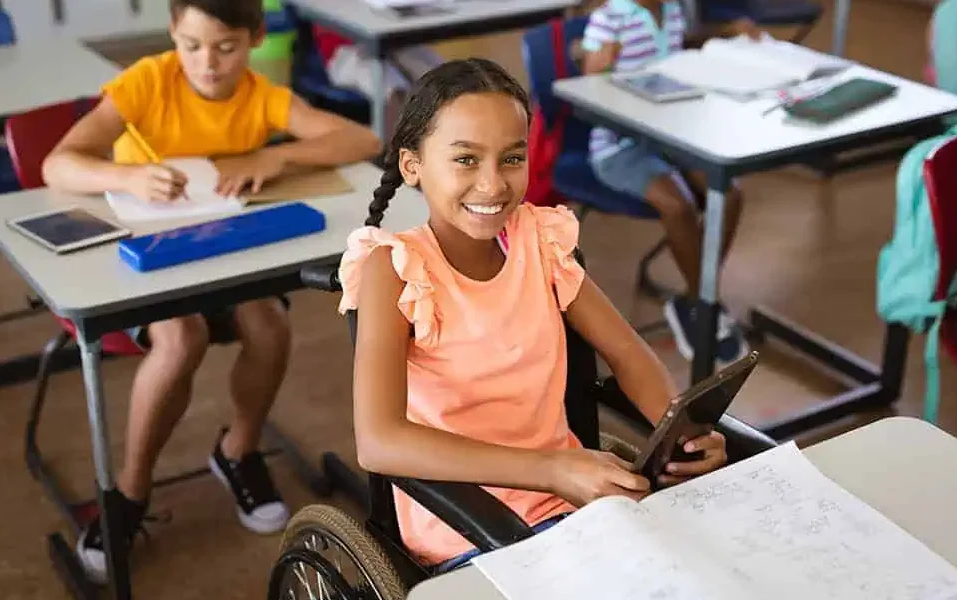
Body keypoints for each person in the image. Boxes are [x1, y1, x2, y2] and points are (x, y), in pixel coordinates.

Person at [337, 58, 729, 572]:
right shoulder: (395, 269)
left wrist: (679, 432)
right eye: (465, 160)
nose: (493, 184)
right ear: (413, 167)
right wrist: (552, 470)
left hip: (571, 500)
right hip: (465, 525)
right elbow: (379, 441)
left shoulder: (539, 242)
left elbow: (628, 352)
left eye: (512, 158)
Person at [42, 0, 380, 583]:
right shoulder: (146, 81)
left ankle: (238, 452)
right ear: (174, 31)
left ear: (253, 39)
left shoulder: (261, 94)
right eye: (192, 44)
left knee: (271, 326)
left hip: (221, 250)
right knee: (181, 337)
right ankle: (128, 493)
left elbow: (360, 140)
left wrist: (274, 154)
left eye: (225, 47)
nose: (208, 63)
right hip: (145, 259)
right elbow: (58, 165)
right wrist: (123, 175)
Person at [581, 0, 753, 364]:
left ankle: (696, 300)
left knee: (730, 194)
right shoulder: (610, 17)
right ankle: (704, 306)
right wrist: (599, 61)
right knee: (678, 207)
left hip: (668, 137)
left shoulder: (673, 10)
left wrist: (728, 30)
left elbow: (680, 46)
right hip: (618, 145)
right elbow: (588, 74)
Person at [312, 25, 445, 138]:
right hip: (344, 50)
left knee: (444, 78)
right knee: (393, 90)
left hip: (395, 39)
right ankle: (396, 155)